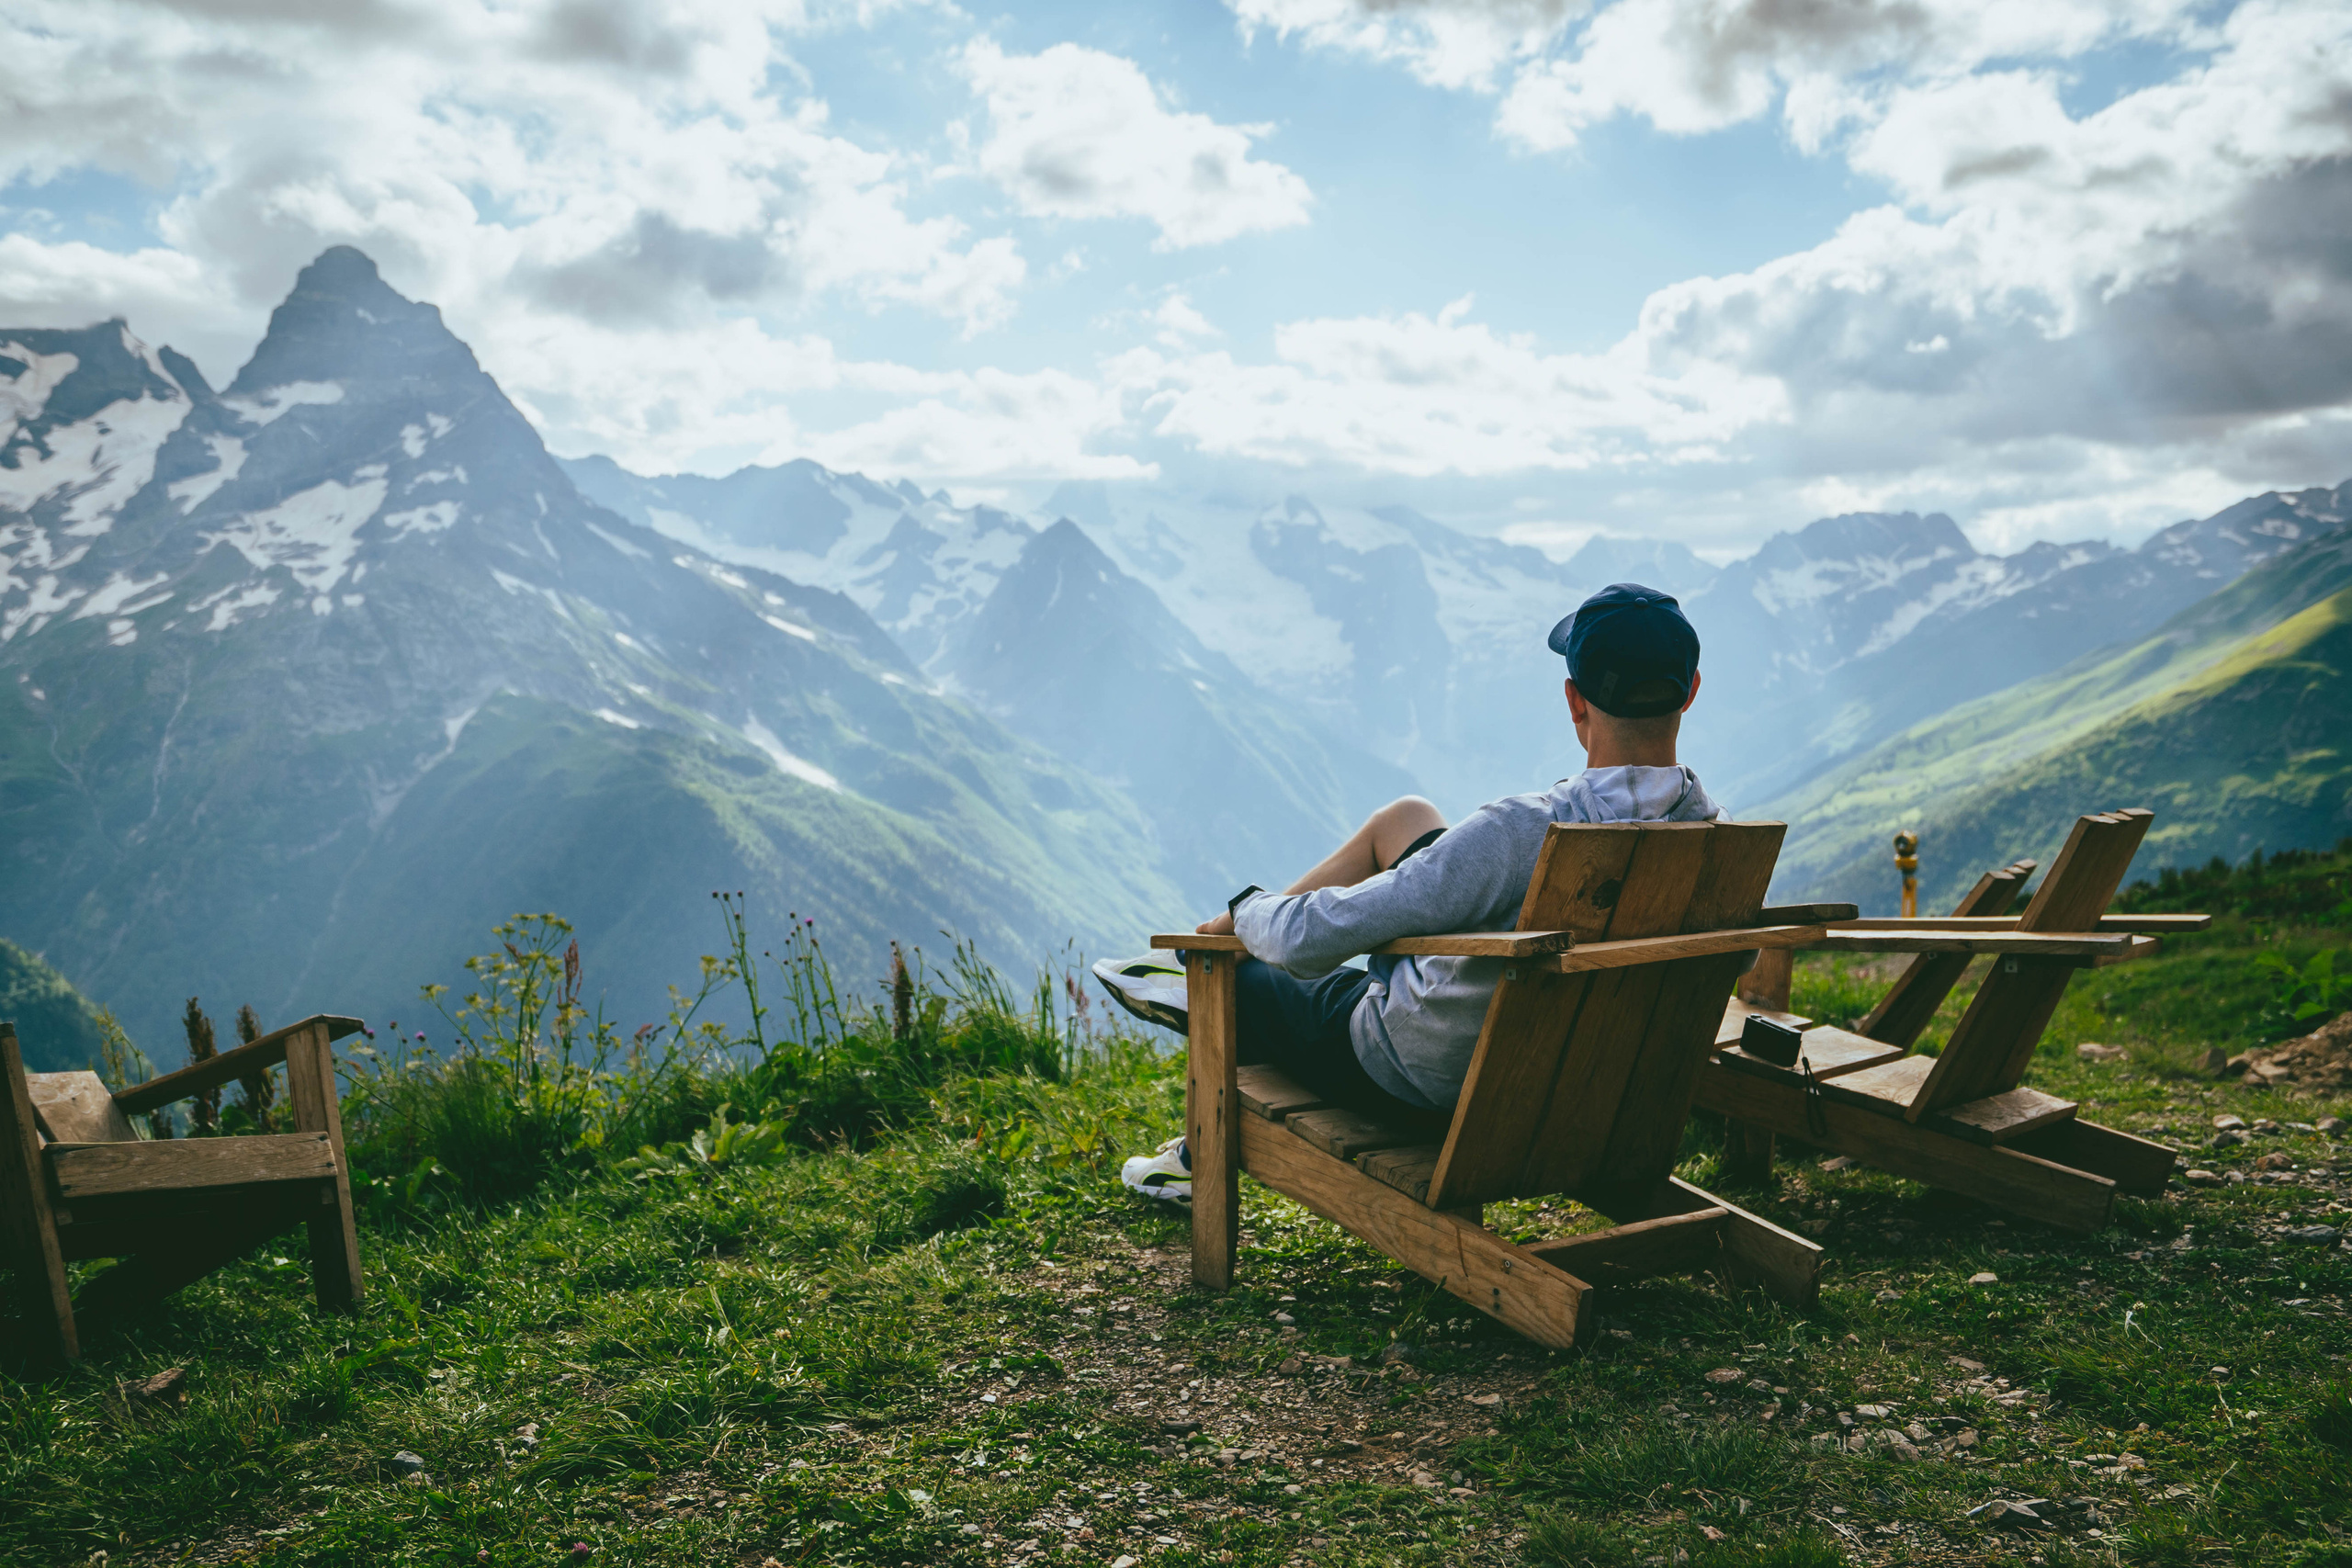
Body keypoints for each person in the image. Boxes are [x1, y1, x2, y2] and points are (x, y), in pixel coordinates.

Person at [1094, 582, 1723, 1204]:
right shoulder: (1716, 842)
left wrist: (1246, 910)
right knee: (1405, 817)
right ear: (1690, 692)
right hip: (1590, 1080)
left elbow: (1311, 939)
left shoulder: (1523, 831)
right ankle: (1204, 971)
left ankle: (1196, 1026)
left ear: (1574, 701)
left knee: (1237, 981)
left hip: (1429, 1075)